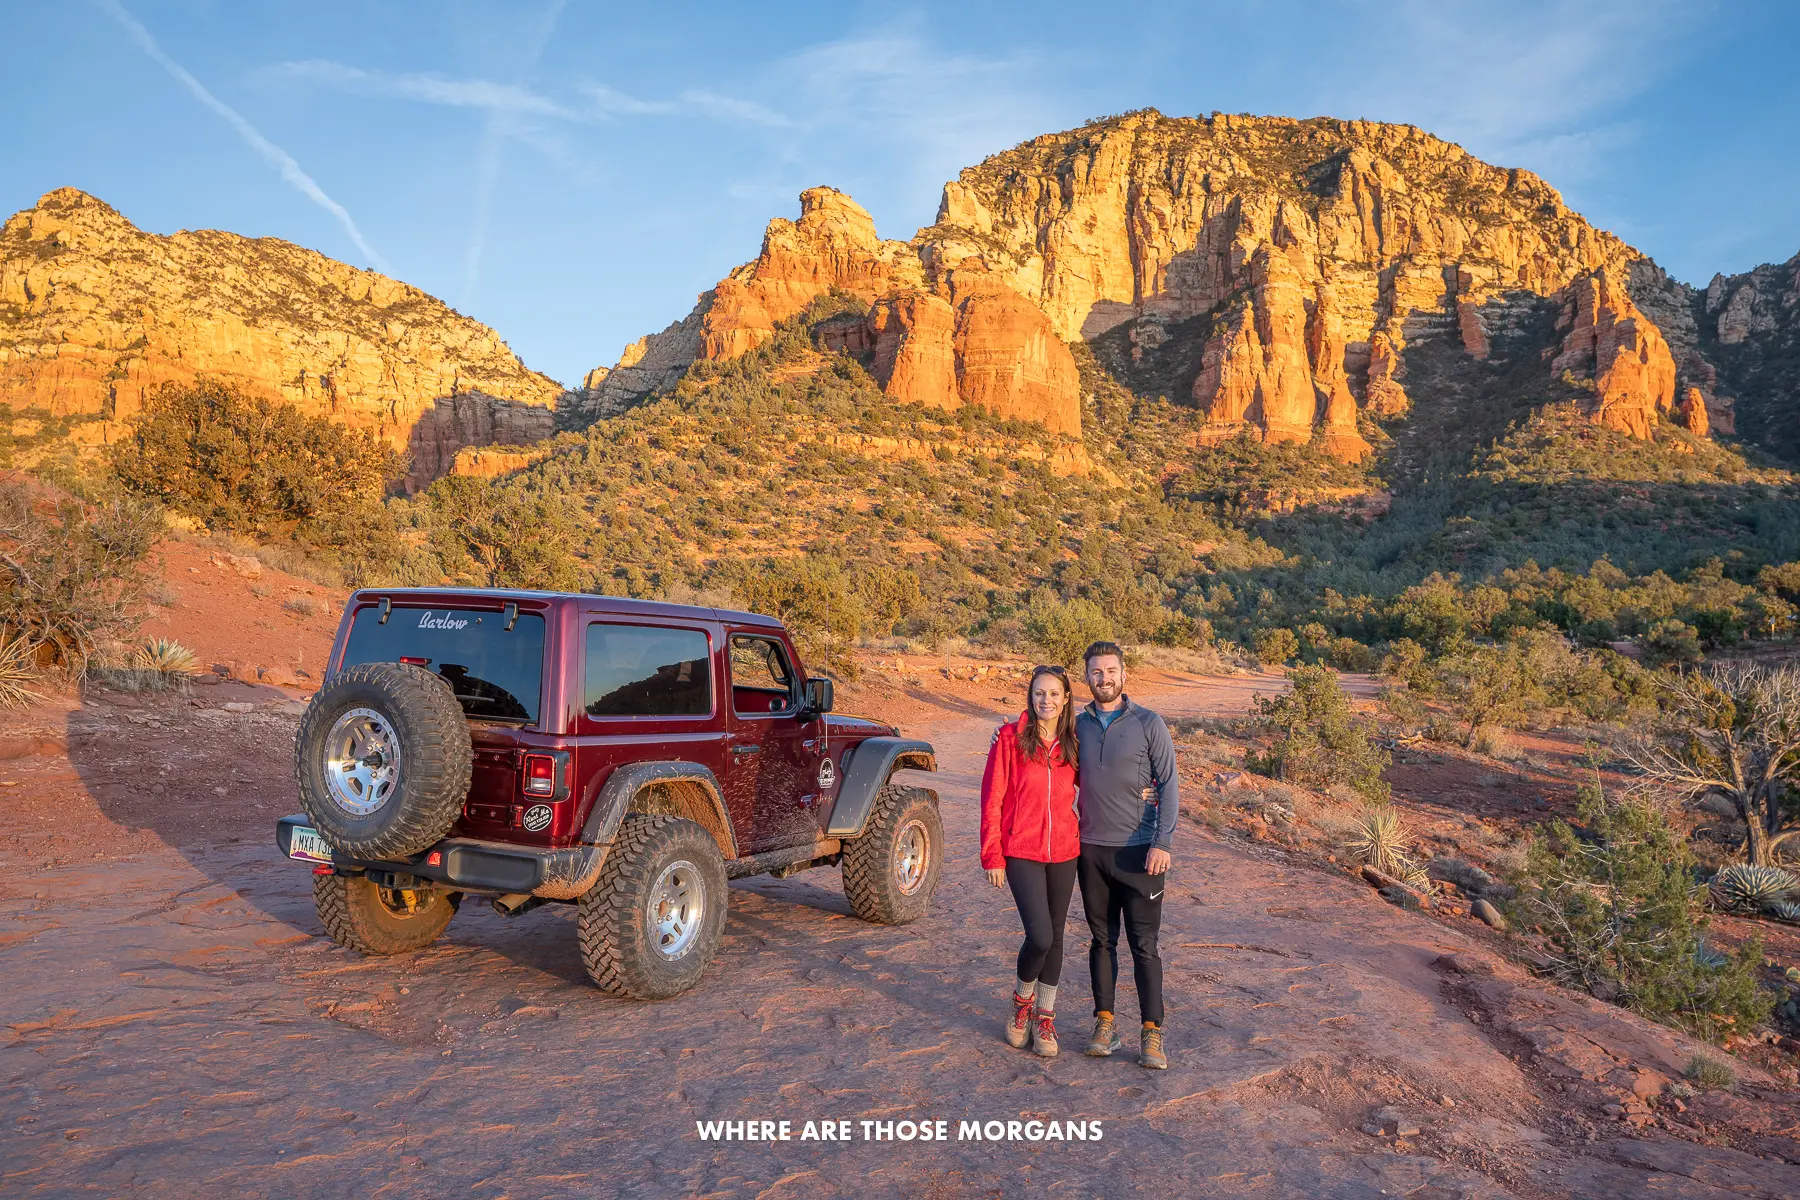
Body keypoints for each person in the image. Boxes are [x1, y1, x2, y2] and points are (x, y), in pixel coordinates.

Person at [1073, 641, 1178, 1070]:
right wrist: (1003, 734)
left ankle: (1152, 1032)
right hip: (1091, 850)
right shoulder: (1076, 725)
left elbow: (1168, 783)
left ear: (1124, 673)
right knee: (1101, 940)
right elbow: (1038, 744)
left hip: (1140, 855)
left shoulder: (1149, 723)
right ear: (1088, 677)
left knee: (1145, 945)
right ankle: (1105, 1023)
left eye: (1111, 671)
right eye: (1096, 672)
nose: (1104, 679)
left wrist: (1163, 843)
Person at [978, 665, 1081, 1058]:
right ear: (1030, 696)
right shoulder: (1009, 738)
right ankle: (1022, 1003)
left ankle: (1045, 1016)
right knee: (1039, 936)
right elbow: (992, 798)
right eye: (1040, 693)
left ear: (1066, 698)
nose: (1046, 701)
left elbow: (1098, 786)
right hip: (1021, 849)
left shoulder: (1075, 741)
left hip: (1065, 852)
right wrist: (992, 855)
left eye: (1054, 694)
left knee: (1055, 936)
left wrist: (1145, 790)